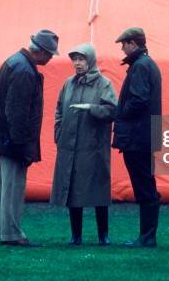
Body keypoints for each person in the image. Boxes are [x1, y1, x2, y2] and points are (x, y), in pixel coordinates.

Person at [0, 29, 59, 247]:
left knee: (5, 187)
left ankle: (5, 231)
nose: (50, 59)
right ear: (40, 52)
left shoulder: (16, 62)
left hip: (3, 139)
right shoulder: (25, 71)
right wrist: (23, 147)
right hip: (12, 141)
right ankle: (11, 234)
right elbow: (17, 113)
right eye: (49, 54)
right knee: (13, 188)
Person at [50, 43, 117, 246]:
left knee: (98, 191)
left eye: (81, 59)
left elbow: (112, 110)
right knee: (72, 191)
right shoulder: (68, 84)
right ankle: (76, 236)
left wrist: (92, 108)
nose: (77, 63)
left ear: (91, 60)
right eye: (75, 59)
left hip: (93, 147)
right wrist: (59, 133)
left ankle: (103, 236)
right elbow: (59, 110)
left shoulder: (104, 84)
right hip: (70, 146)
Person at [112, 27, 162, 248]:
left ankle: (147, 237)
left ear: (133, 43)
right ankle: (147, 236)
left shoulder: (140, 66)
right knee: (146, 184)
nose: (122, 48)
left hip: (137, 137)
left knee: (144, 187)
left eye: (124, 44)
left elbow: (139, 100)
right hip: (144, 136)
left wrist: (120, 112)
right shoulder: (147, 64)